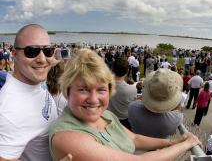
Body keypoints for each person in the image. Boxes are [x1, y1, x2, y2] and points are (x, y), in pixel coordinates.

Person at [49, 48, 201, 161]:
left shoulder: (105, 115)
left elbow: (135, 139)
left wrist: (173, 142)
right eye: (83, 89)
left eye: (101, 89)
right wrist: (186, 144)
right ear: (67, 91)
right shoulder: (67, 137)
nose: (94, 99)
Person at [0, 24, 72, 161]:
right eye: (31, 51)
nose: (42, 59)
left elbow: (44, 63)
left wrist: (54, 58)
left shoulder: (32, 77)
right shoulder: (9, 108)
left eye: (47, 50)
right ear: (14, 54)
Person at [128, 69, 183, 139]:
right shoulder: (175, 119)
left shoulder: (132, 108)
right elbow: (178, 110)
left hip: (137, 146)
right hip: (160, 147)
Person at [108, 57, 137, 129]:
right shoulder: (132, 89)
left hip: (108, 118)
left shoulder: (104, 85)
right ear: (127, 71)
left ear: (112, 69)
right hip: (124, 121)